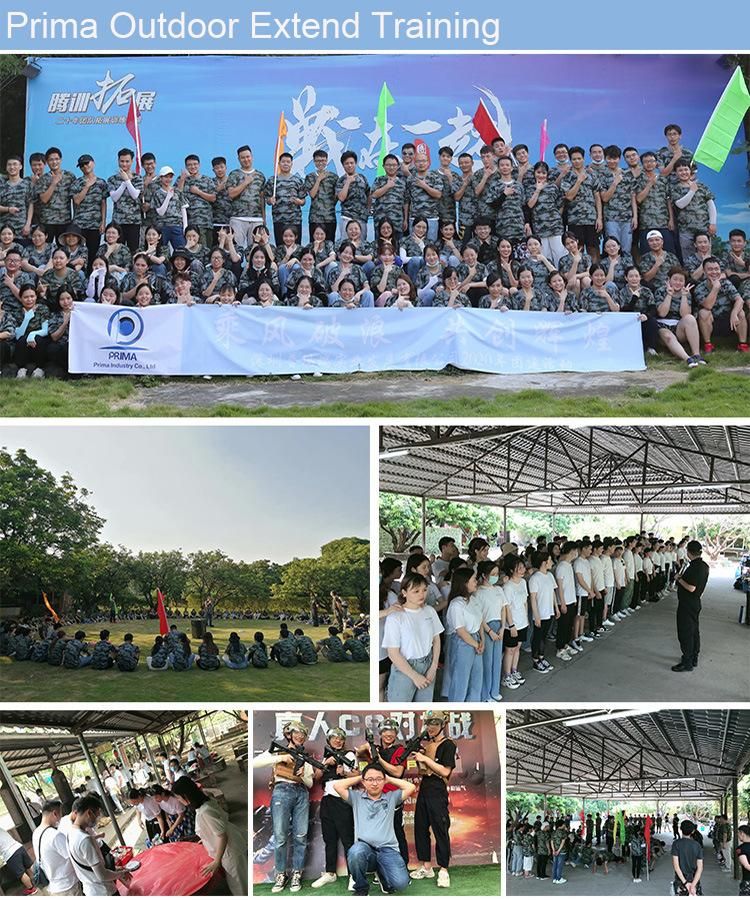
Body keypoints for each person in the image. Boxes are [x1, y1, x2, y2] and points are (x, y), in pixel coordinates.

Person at [252, 721, 316, 894]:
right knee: (280, 836)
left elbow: (310, 783)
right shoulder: (279, 750)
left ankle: (297, 873)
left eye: (303, 734)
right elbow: (254, 763)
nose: (300, 736)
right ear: (289, 734)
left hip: (301, 794)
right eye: (297, 733)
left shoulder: (305, 757)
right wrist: (280, 758)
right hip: (281, 791)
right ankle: (281, 874)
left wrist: (302, 777)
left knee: (301, 836)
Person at [333, 764, 415, 897]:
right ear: (364, 782)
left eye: (378, 779)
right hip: (365, 849)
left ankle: (382, 874)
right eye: (370, 780)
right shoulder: (356, 798)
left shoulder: (391, 797)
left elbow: (410, 787)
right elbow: (337, 786)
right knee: (355, 852)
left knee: (401, 884)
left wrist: (388, 778)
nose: (374, 783)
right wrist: (362, 777)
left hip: (388, 849)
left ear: (384, 781)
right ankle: (361, 887)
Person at [172, 776, 247, 895]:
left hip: (230, 851)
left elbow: (222, 836)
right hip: (231, 844)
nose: (178, 800)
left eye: (178, 797)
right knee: (240, 882)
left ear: (185, 796)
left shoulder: (205, 811)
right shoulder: (205, 800)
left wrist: (216, 861)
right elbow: (217, 825)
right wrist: (206, 839)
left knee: (240, 887)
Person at [410, 710, 456, 888]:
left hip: (437, 789)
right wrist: (420, 758)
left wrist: (425, 759)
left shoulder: (448, 745)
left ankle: (443, 869)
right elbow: (423, 770)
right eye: (428, 723)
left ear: (443, 725)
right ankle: (426, 866)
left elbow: (445, 771)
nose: (431, 727)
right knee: (420, 827)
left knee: (440, 829)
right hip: (425, 787)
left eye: (435, 723)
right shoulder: (427, 744)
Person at [310, 727, 357, 890]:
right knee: (329, 839)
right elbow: (315, 777)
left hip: (342, 799)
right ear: (329, 740)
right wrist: (325, 764)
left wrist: (344, 772)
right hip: (327, 800)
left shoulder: (350, 755)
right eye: (334, 737)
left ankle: (354, 875)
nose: (338, 740)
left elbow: (358, 776)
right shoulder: (326, 756)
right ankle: (330, 872)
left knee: (347, 839)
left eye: (341, 738)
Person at [66, 795, 131, 896]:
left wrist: (115, 869)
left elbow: (88, 864)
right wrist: (121, 874)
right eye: (96, 816)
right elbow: (102, 875)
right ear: (89, 813)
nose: (96, 820)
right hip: (103, 891)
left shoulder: (70, 833)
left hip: (90, 890)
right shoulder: (84, 839)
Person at [673, 540, 710, 672]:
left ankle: (687, 661)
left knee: (685, 632)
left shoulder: (695, 567)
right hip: (694, 602)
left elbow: (691, 587)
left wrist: (679, 578)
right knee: (694, 631)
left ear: (689, 552)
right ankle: (694, 657)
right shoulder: (703, 565)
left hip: (687, 603)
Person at [32, 798, 79, 896]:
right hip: (68, 885)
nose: (60, 819)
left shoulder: (36, 833)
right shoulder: (55, 835)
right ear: (54, 813)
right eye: (60, 815)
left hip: (53, 886)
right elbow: (73, 857)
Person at [0, 825, 36, 896]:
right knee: (28, 867)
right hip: (19, 847)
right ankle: (35, 881)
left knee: (21, 874)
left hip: (10, 854)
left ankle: (31, 889)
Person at [672, 820, 704, 896]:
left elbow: (676, 866)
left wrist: (685, 883)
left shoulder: (676, 844)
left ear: (680, 829)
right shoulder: (697, 845)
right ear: (692, 831)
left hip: (681, 880)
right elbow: (700, 868)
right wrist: (693, 885)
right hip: (694, 879)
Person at [737, 823, 750, 895]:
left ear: (742, 833)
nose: (738, 836)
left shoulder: (741, 849)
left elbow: (746, 865)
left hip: (747, 881)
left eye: (738, 833)